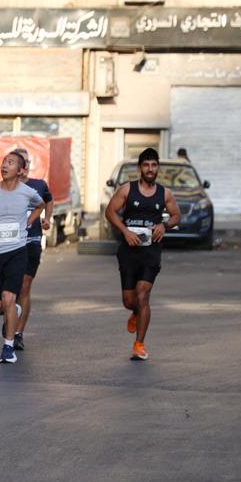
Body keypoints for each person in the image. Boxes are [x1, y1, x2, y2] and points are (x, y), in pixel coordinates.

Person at [104, 147, 180, 361]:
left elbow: (176, 215)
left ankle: (139, 344)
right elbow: (110, 211)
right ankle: (135, 312)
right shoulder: (127, 190)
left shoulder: (164, 193)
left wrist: (164, 226)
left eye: (154, 165)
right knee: (129, 301)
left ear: (158, 168)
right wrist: (125, 231)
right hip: (129, 251)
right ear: (140, 168)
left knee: (143, 295)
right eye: (146, 165)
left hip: (151, 252)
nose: (150, 169)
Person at [0, 151, 44, 364]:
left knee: (9, 298)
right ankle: (14, 312)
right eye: (4, 161)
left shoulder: (27, 193)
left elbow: (41, 205)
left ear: (21, 170)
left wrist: (29, 222)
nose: (5, 165)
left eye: (11, 163)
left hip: (17, 252)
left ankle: (8, 347)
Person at [11, 148, 53, 352]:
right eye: (21, 162)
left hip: (32, 241)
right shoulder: (7, 187)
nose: (24, 166)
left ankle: (18, 333)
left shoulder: (39, 185)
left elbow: (49, 200)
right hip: (10, 244)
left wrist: (47, 218)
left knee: (25, 286)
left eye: (27, 162)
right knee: (10, 290)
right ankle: (12, 316)